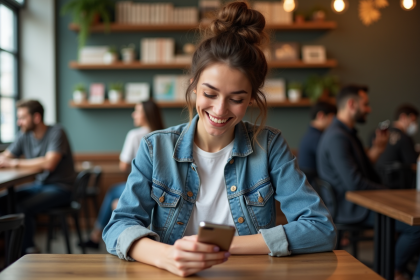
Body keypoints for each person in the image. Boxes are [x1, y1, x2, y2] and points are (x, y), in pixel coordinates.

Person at [103, 2, 336, 277]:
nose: (220, 110)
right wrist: (166, 255)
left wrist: (225, 246)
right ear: (193, 84)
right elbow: (118, 227)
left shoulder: (269, 145)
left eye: (236, 99)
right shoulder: (155, 147)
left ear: (251, 98)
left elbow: (321, 229)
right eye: (210, 94)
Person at [317, 85, 420, 280]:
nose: (369, 109)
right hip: (353, 207)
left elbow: (357, 169)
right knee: (416, 227)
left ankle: (392, 266)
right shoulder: (338, 137)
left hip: (358, 201)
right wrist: (389, 192)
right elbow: (355, 183)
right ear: (351, 104)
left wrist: (377, 150)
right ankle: (393, 270)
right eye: (366, 104)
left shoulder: (345, 133)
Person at [81, 100, 164, 249]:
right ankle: (97, 234)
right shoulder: (165, 134)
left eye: (137, 111)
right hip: (162, 187)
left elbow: (124, 165)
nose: (134, 114)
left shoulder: (135, 135)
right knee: (115, 191)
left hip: (145, 186)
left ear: (146, 114)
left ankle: (96, 235)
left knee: (113, 190)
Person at [0, 100, 76, 254]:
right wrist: (5, 160)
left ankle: (28, 251)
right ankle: (9, 247)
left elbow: (49, 163)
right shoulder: (24, 135)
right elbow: (5, 157)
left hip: (62, 188)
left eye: (22, 117)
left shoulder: (57, 131)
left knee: (22, 207)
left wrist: (14, 163)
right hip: (40, 186)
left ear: (36, 117)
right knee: (2, 200)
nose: (18, 122)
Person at [298, 101, 336, 184]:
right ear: (321, 115)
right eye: (332, 118)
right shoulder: (317, 138)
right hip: (316, 188)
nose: (334, 122)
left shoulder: (310, 136)